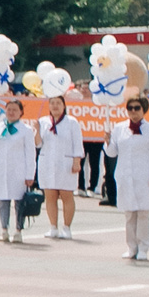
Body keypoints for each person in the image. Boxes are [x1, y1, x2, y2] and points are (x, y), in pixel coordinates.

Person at [111, 92, 149, 262]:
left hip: (144, 176)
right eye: (130, 108)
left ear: (144, 110)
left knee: (143, 213)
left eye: (137, 108)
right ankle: (131, 246)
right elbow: (112, 152)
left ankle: (143, 247)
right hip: (125, 175)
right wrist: (108, 142)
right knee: (129, 213)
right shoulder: (119, 128)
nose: (133, 112)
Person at [0, 103, 37, 243]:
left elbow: (30, 153)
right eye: (9, 109)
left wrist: (30, 174)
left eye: (15, 110)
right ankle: (4, 230)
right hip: (1, 169)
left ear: (21, 112)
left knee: (19, 201)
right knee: (3, 200)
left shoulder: (26, 130)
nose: (11, 112)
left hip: (18, 170)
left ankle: (18, 230)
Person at [37, 94, 84, 240]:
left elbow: (77, 143)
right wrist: (37, 130)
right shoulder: (43, 121)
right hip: (47, 163)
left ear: (64, 106)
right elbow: (38, 144)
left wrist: (77, 161)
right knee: (50, 196)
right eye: (52, 103)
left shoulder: (72, 122)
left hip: (66, 163)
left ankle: (67, 227)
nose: (55, 106)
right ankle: (53, 227)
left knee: (66, 196)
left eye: (58, 103)